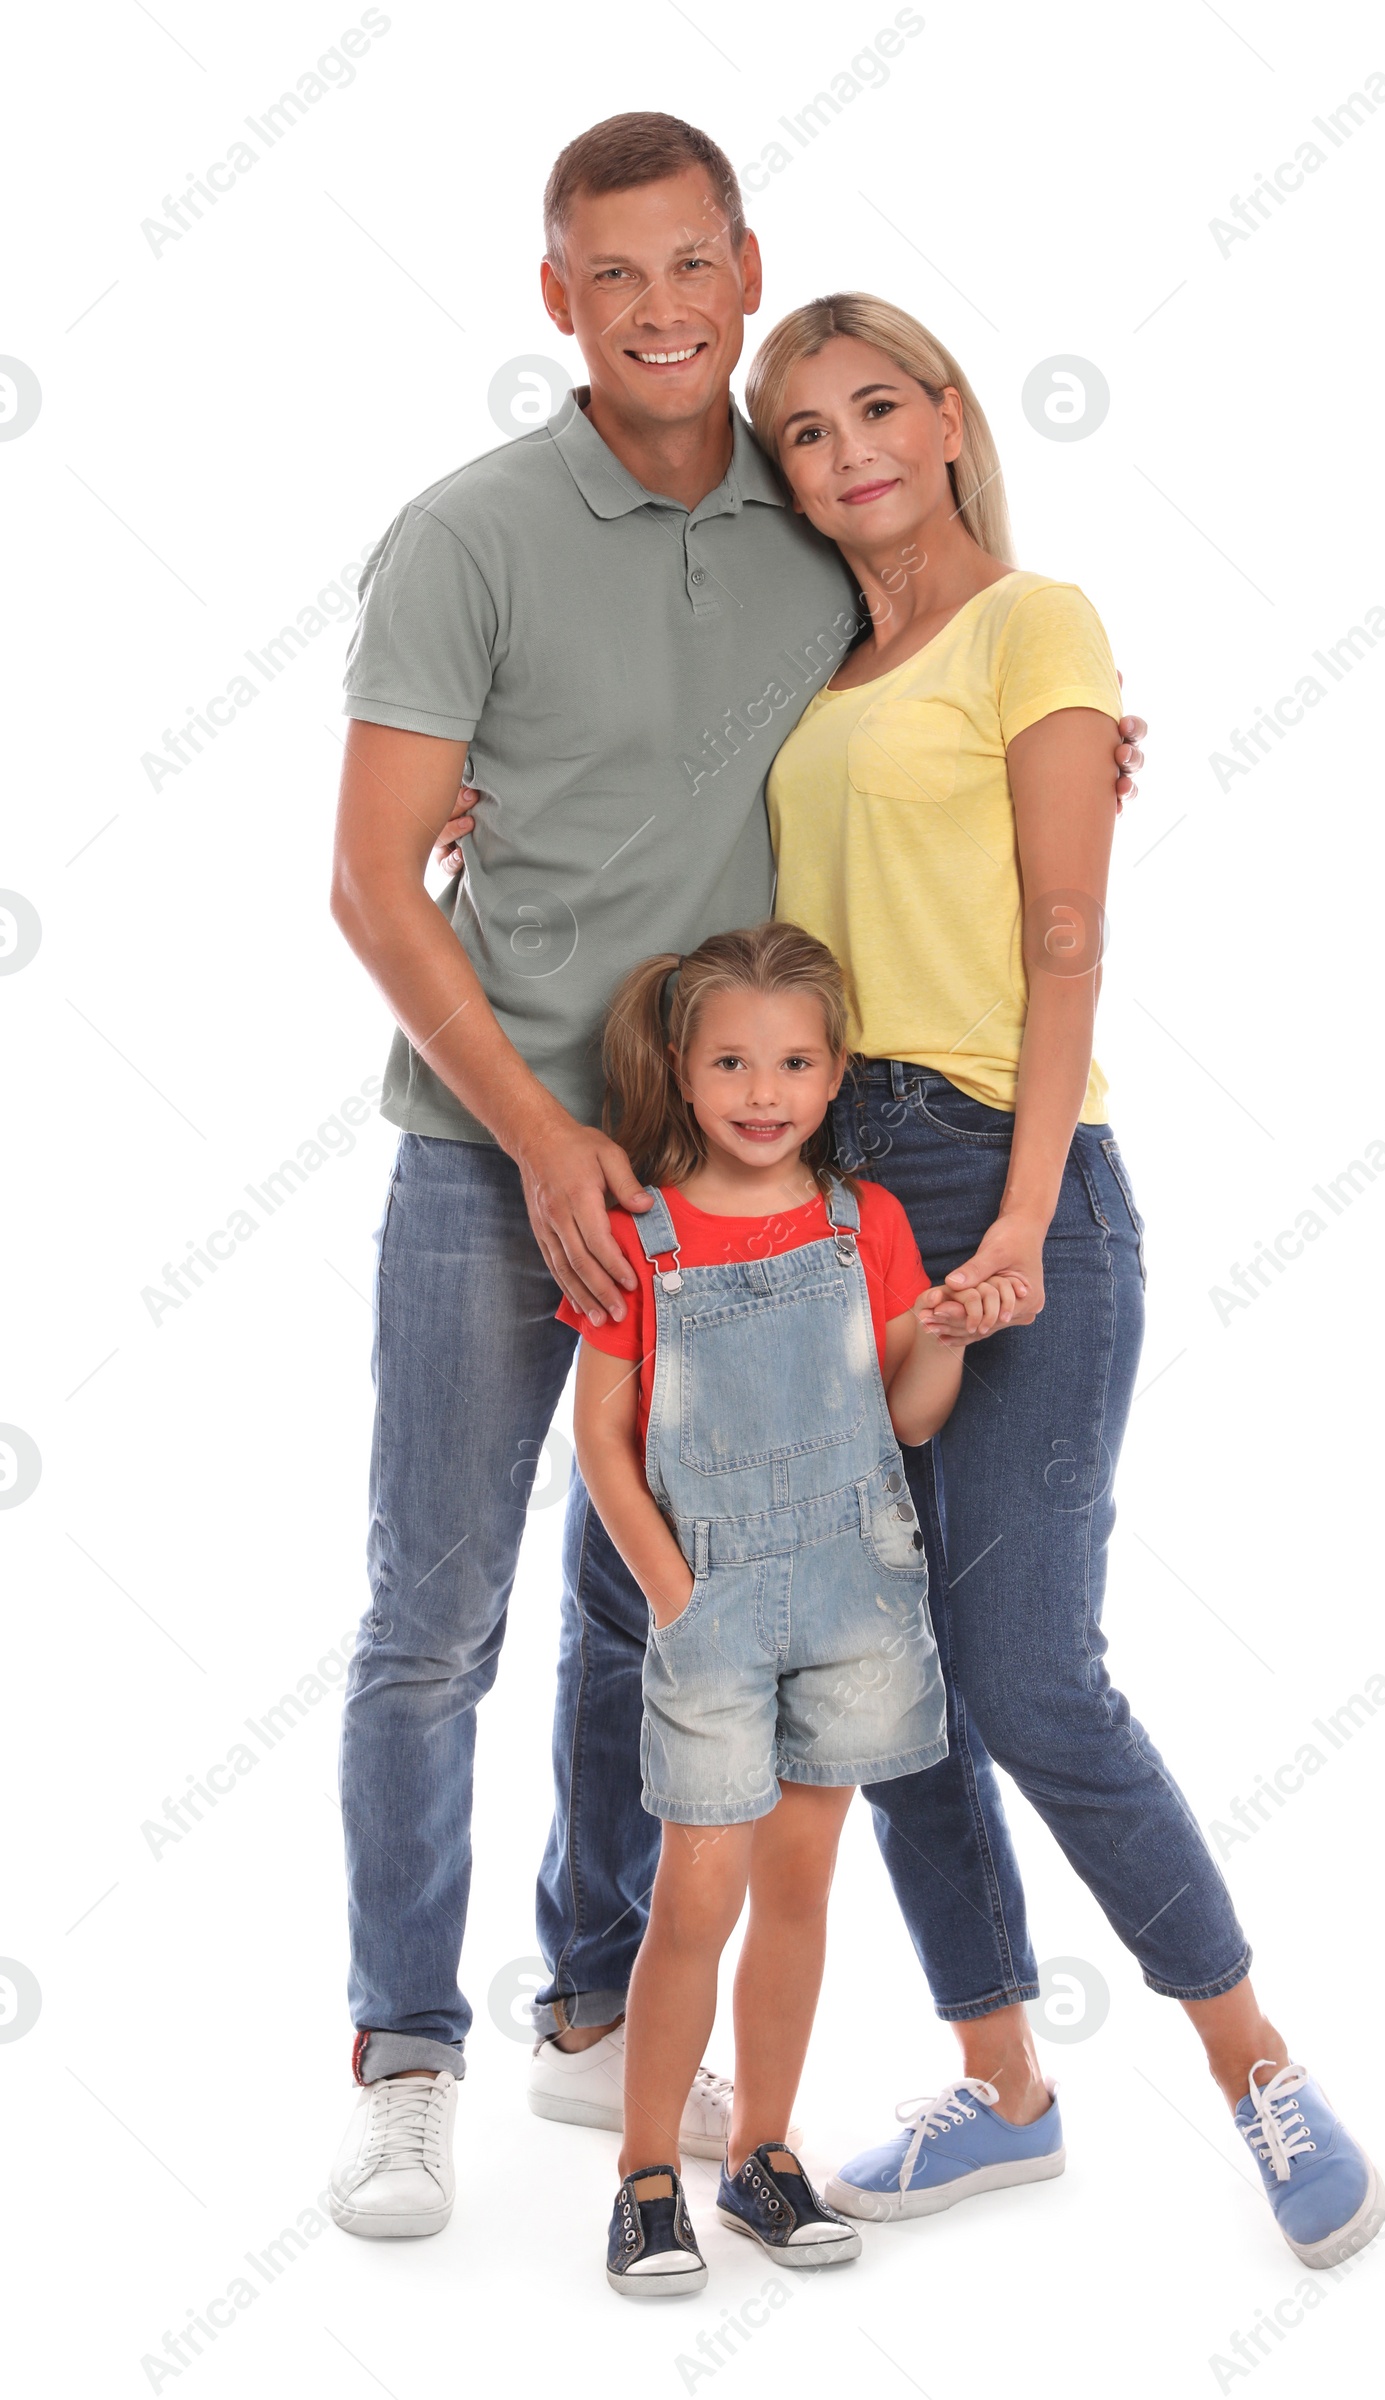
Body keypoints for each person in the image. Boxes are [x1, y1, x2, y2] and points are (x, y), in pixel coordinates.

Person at [441, 296, 1385, 2272]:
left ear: (950, 420)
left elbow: (1058, 940)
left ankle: (1253, 2065)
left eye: (879, 405)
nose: (846, 448)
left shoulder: (1034, 627)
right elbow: (697, 848)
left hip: (998, 1165)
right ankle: (1003, 2089)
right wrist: (486, 804)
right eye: (801, 430)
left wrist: (1027, 1213)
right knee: (891, 1689)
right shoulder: (815, 667)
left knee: (1031, 1672)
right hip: (825, 1188)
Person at [326, 110, 1144, 2240]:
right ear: (556, 301)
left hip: (732, 1187)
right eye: (613, 277)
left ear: (740, 260)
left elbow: (932, 689)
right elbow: (364, 882)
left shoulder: (811, 527)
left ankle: (594, 2011)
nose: (660, 310)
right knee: (436, 1610)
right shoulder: (468, 534)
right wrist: (538, 1130)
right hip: (483, 1153)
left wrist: (1081, 746)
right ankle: (404, 2049)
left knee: (637, 1604)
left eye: (693, 266)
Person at [556, 922, 1018, 2293]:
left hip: (856, 1603)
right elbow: (601, 1437)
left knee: (802, 1890)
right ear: (685, 1071)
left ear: (835, 1077)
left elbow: (909, 1414)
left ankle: (762, 2156)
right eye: (734, 1062)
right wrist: (675, 1596)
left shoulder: (860, 1221)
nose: (766, 1091)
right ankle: (648, 2176)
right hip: (714, 1608)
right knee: (694, 1900)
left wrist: (938, 1330)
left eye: (798, 1062)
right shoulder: (645, 1234)